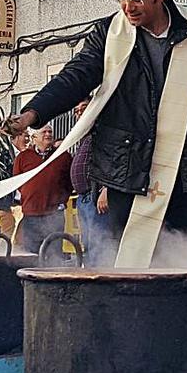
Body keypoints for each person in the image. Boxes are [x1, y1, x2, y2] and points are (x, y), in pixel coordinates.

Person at [0, 0, 187, 263]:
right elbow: (75, 76)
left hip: (184, 176)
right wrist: (32, 114)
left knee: (180, 264)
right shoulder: (109, 33)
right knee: (123, 266)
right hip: (125, 173)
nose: (128, 7)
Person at [14, 125, 73, 254]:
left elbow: (69, 182)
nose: (48, 134)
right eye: (44, 132)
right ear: (34, 137)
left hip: (54, 214)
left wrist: (61, 200)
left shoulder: (63, 156)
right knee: (31, 255)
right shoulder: (23, 157)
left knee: (54, 253)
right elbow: (17, 181)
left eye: (50, 131)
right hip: (31, 215)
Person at [69, 101, 110, 266]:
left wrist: (106, 189)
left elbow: (111, 161)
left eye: (83, 109)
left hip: (96, 196)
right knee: (88, 243)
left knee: (99, 244)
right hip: (84, 197)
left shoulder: (102, 134)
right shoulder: (85, 137)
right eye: (76, 111)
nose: (79, 114)